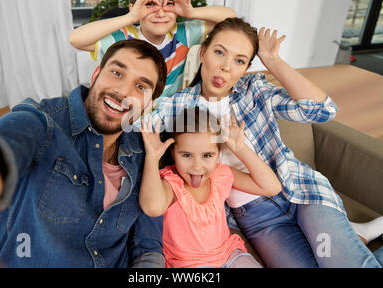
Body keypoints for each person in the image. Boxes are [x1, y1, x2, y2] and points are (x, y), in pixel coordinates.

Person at [143, 17, 383, 267]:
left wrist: (273, 61)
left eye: (239, 61)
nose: (225, 67)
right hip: (257, 215)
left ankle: (353, 238)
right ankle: (357, 236)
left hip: (301, 190)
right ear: (203, 53)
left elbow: (321, 111)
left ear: (246, 68)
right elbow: (130, 125)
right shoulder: (177, 105)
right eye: (219, 52)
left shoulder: (254, 89)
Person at [0, 39, 168, 268]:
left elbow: (148, 246)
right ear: (95, 74)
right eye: (116, 73)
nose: (123, 92)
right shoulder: (43, 121)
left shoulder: (145, 152)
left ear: (149, 104)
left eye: (141, 87)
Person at [139, 107, 281, 268]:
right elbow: (152, 208)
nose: (197, 166)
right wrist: (151, 157)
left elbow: (271, 187)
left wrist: (240, 148)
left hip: (230, 255)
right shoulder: (171, 183)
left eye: (207, 155)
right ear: (173, 153)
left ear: (218, 153)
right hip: (189, 264)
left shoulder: (220, 175)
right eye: (186, 155)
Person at [69, 0, 236, 104]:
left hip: (167, 118)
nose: (161, 12)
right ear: (134, 8)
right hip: (129, 116)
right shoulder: (124, 40)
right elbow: (76, 39)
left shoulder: (182, 35)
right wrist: (130, 17)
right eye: (150, 4)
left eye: (169, 4)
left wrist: (191, 12)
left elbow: (230, 18)